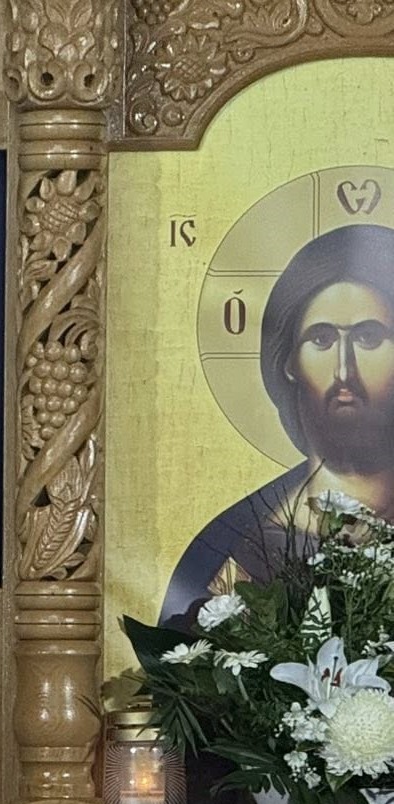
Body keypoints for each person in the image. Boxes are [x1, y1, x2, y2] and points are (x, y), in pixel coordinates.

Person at [164, 223, 394, 624]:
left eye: (368, 338)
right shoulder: (233, 547)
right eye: (321, 340)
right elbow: (182, 652)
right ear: (289, 362)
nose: (344, 371)